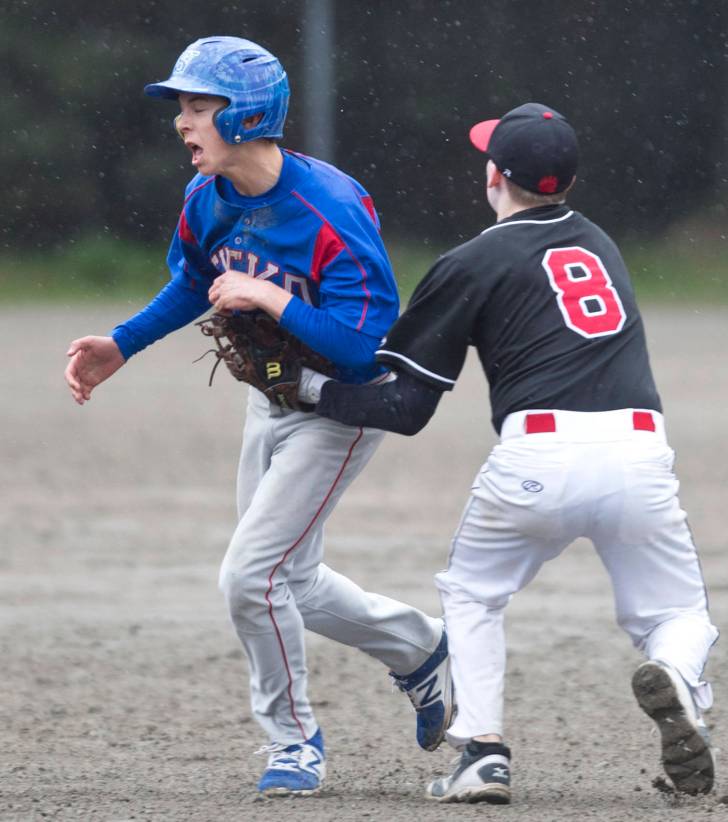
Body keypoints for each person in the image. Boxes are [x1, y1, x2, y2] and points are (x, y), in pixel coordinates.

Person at [62, 36, 454, 799]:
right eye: (181, 106)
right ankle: (422, 650)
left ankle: (294, 741)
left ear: (245, 114)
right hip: (269, 393)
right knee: (290, 581)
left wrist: (272, 298)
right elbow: (192, 283)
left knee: (250, 578)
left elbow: (365, 344)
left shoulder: (328, 209)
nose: (184, 122)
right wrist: (121, 345)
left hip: (340, 407)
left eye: (199, 105)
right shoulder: (206, 198)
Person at [300, 102, 719, 804]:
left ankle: (483, 753)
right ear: (568, 184)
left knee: (472, 594)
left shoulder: (472, 260)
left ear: (494, 176)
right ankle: (677, 673)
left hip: (538, 458)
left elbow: (404, 408)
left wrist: (308, 386)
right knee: (678, 614)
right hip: (640, 452)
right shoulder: (602, 246)